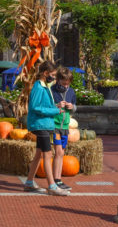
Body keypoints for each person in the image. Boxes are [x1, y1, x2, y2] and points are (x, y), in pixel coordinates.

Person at [23, 60, 69, 196]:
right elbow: (35, 107)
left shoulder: (44, 86)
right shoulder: (38, 87)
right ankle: (52, 186)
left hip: (43, 124)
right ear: (45, 73)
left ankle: (29, 182)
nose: (54, 78)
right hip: (40, 124)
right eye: (53, 75)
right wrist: (55, 111)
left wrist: (56, 106)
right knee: (47, 154)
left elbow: (43, 106)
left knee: (39, 153)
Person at [51, 67, 77, 192]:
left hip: (65, 126)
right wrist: (56, 106)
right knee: (58, 153)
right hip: (55, 126)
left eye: (67, 83)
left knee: (62, 153)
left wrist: (72, 106)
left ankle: (59, 179)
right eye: (63, 83)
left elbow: (75, 107)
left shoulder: (71, 92)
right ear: (58, 80)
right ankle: (56, 179)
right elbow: (48, 106)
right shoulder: (52, 91)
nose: (66, 86)